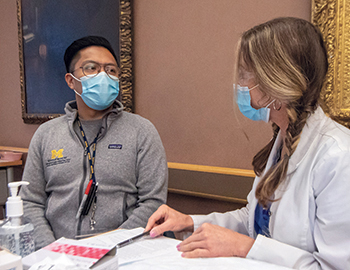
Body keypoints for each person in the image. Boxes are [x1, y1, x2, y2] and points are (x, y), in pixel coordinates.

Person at [145, 17, 350, 270]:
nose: (239, 85)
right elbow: (255, 219)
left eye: (244, 74)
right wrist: (189, 221)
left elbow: (334, 266)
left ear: (276, 82)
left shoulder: (339, 158)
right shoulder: (283, 142)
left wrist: (245, 247)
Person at [20, 36, 168, 250]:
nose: (103, 76)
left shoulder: (142, 132)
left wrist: (105, 249)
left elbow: (153, 204)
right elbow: (30, 202)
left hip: (122, 254)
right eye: (91, 68)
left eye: (111, 70)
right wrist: (52, 251)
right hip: (55, 257)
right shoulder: (46, 135)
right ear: (71, 80)